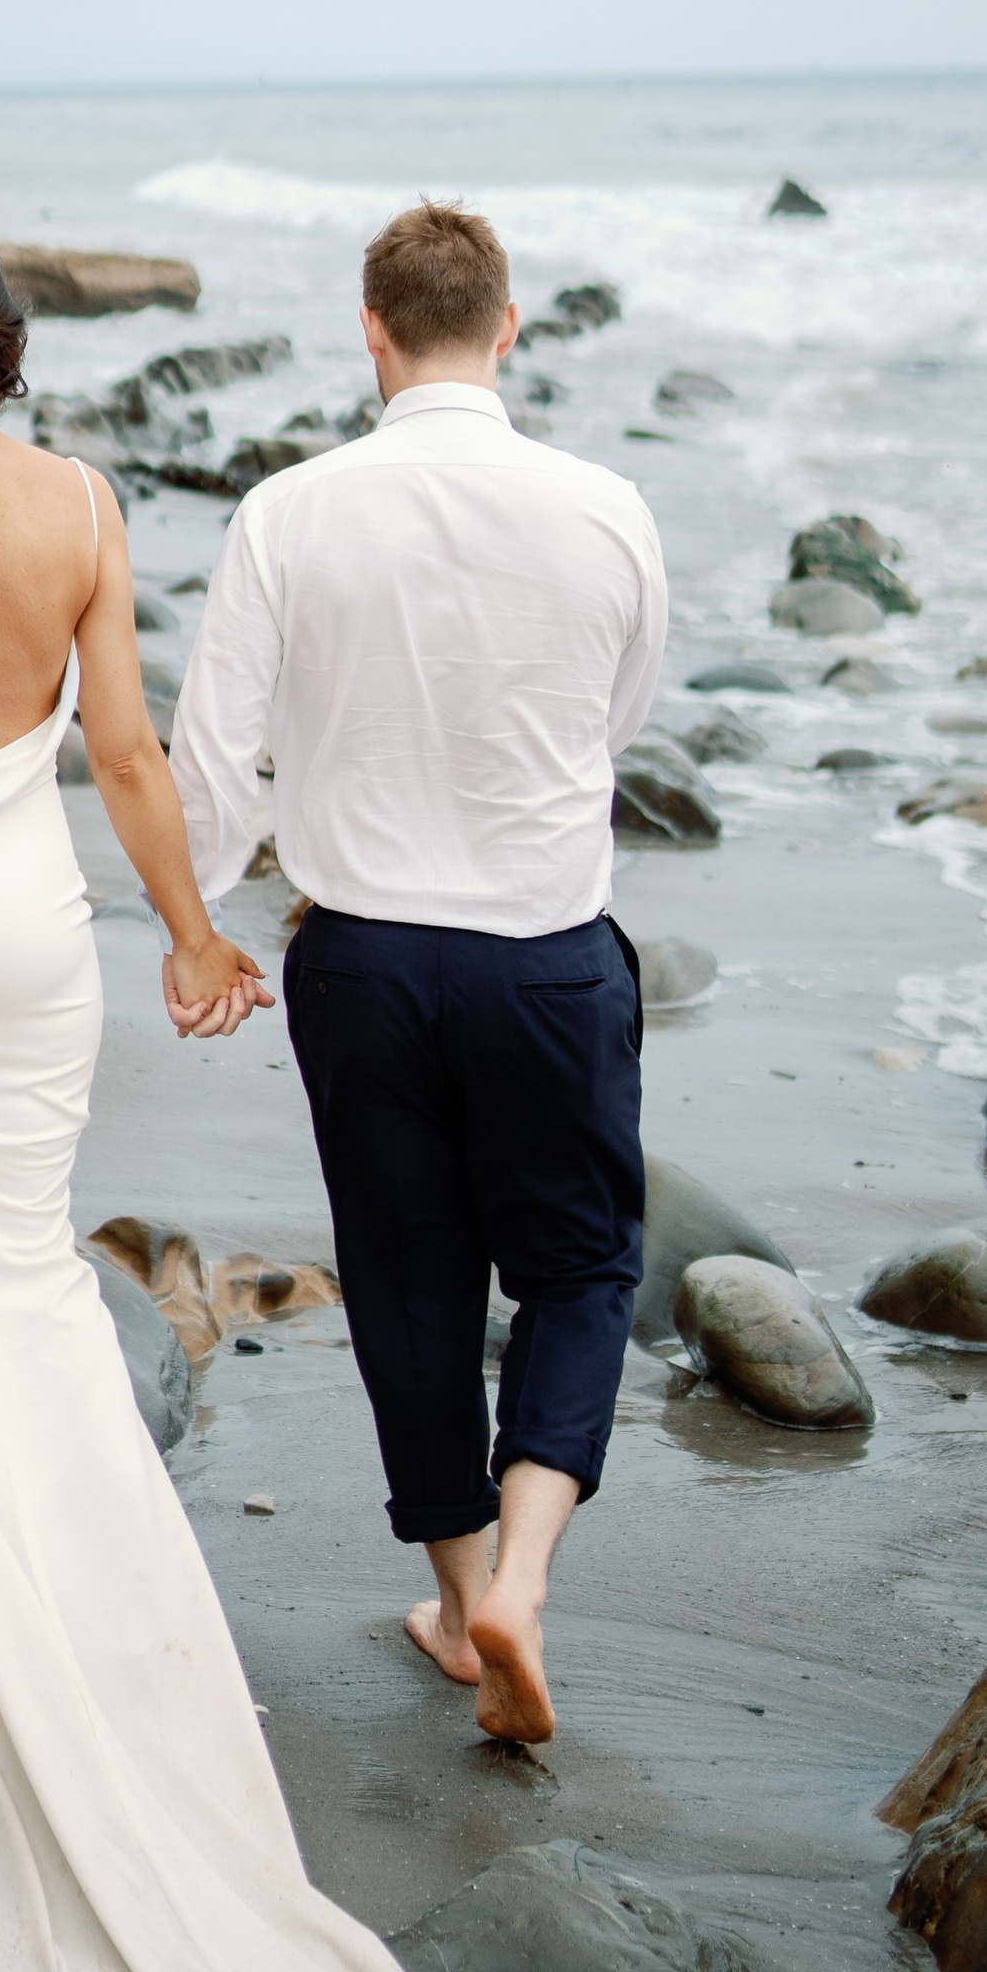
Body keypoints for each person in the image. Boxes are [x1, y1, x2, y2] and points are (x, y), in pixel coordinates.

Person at [0, 224, 629, 1972]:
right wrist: (194, 927)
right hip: (31, 945)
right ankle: (105, 1639)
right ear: (11, 345)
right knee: (26, 1293)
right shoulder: (78, 502)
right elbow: (130, 750)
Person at [170, 200, 667, 1751]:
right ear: (507, 328)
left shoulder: (292, 509)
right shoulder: (605, 509)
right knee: (581, 1269)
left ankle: (460, 1605)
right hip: (544, 952)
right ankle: (521, 1573)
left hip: (364, 954)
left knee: (408, 1275)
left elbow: (212, 747)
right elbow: (619, 717)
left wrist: (199, 920)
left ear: (370, 333)